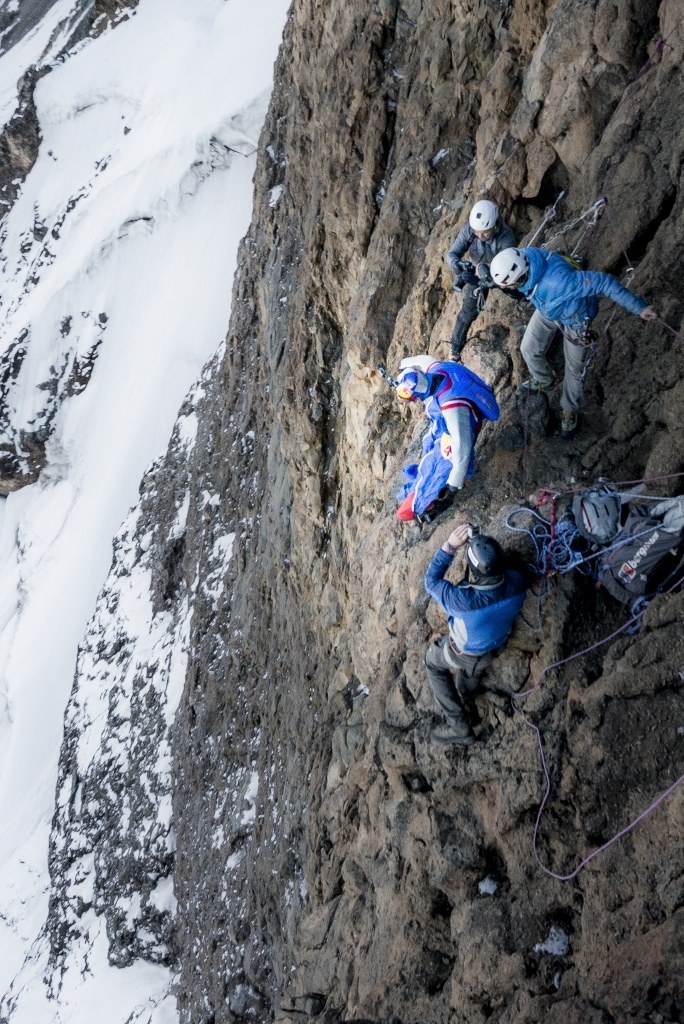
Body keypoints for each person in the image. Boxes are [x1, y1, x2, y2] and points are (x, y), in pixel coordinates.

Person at [489, 246, 658, 439]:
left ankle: (569, 409)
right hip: (548, 307)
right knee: (528, 347)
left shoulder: (560, 282)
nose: (507, 289)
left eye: (508, 285)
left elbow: (603, 282)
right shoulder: (526, 257)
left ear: (519, 277)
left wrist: (640, 308)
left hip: (575, 319)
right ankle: (544, 378)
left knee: (575, 368)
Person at [423, 523, 529, 746]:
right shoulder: (517, 582)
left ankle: (459, 727)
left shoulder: (463, 602)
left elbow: (431, 581)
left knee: (432, 663)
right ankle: (468, 692)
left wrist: (449, 547)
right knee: (469, 679)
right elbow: (501, 566)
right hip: (495, 646)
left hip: (465, 652)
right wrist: (480, 542)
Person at [395, 358, 499, 521]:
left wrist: (452, 485)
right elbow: (418, 360)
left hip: (468, 414)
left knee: (443, 460)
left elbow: (462, 447)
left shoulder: (452, 408)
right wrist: (402, 374)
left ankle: (426, 500)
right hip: (467, 391)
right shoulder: (437, 369)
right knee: (431, 442)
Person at [445, 199, 517, 358]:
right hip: (476, 272)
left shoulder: (505, 238)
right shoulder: (470, 231)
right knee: (466, 313)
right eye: (477, 232)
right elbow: (451, 254)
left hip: (501, 273)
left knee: (517, 292)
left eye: (485, 232)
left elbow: (507, 270)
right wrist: (457, 265)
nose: (480, 235)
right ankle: (455, 351)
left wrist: (485, 275)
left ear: (495, 225)